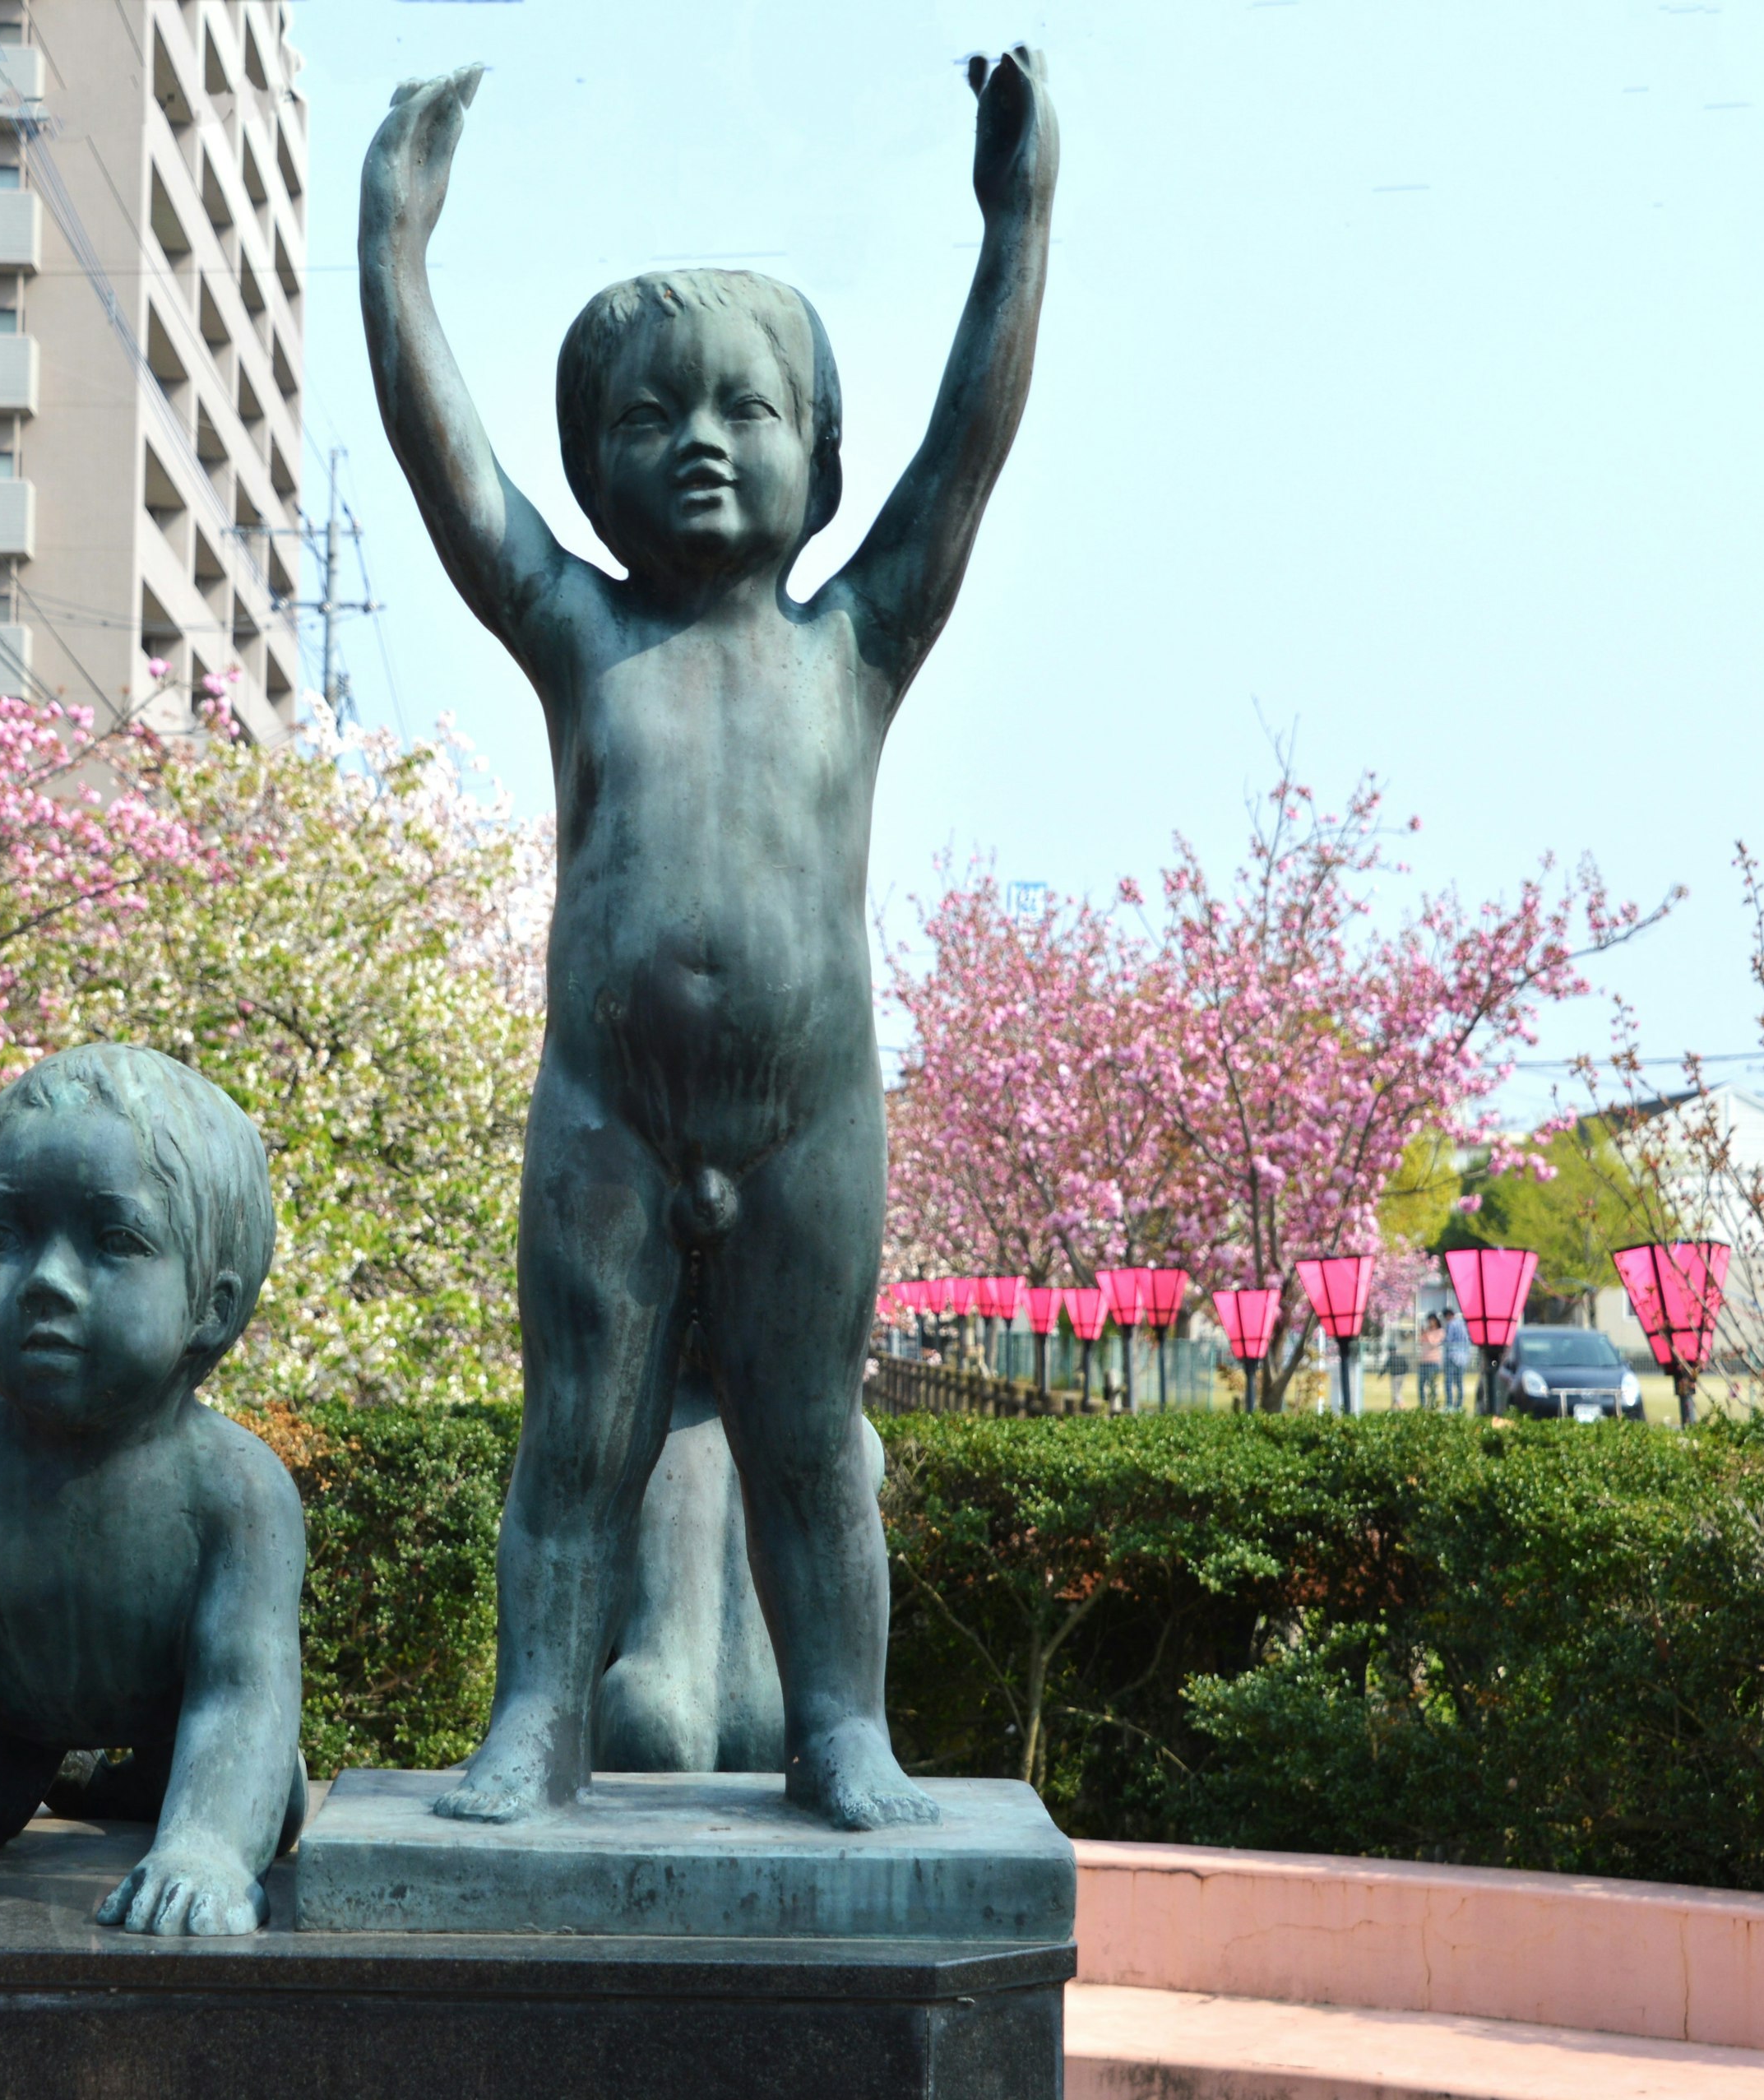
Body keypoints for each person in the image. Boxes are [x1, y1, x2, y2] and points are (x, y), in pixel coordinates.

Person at [359, 48, 1056, 1831]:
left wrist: (1017, 225)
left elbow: (967, 455)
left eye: (747, 412)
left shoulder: (859, 636)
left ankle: (842, 1727)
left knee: (811, 1444)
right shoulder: (579, 629)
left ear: (820, 460)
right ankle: (534, 1724)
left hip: (810, 1111)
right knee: (576, 1438)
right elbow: (462, 498)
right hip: (605, 1108)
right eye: (652, 416)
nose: (698, 442)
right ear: (595, 463)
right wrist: (394, 257)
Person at [0, 1045, 307, 1934]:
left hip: (182, 1715)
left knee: (228, 1797)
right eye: (3, 1234)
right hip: (11, 1728)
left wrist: (210, 1850)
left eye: (114, 1241)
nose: (44, 1280)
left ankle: (196, 1798)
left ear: (214, 1306)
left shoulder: (237, 1489)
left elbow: (239, 1687)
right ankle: (8, 1791)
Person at [1442, 1308, 1472, 1412]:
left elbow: (1449, 1340)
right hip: (1464, 1357)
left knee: (1449, 1382)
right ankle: (1459, 1405)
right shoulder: (1464, 1324)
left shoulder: (1452, 1324)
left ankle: (1449, 1405)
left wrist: (1442, 1342)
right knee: (1459, 1382)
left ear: (1448, 1316)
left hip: (1452, 1355)